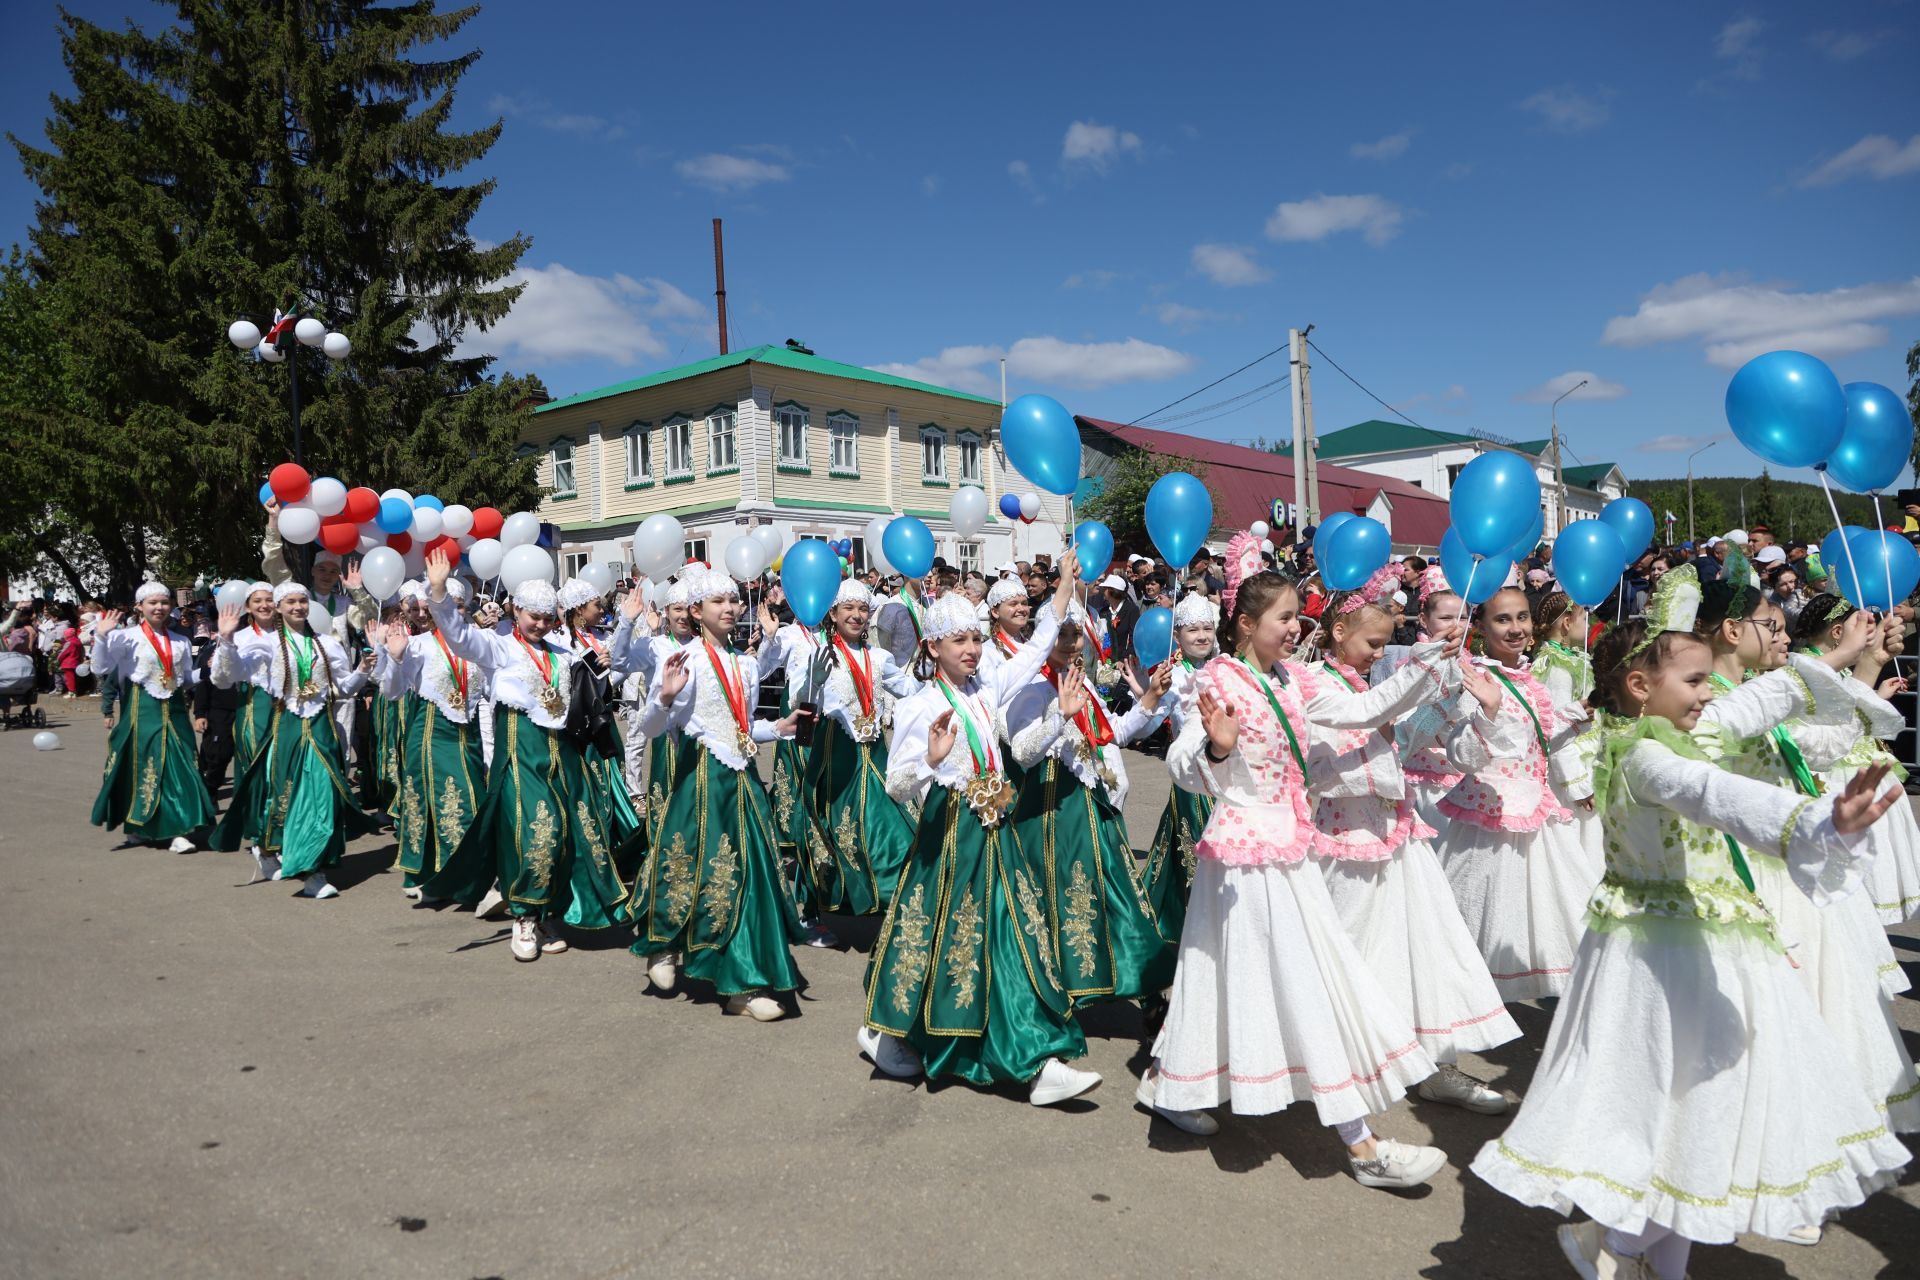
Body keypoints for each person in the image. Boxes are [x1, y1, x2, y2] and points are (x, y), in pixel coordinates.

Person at [1470, 594, 1909, 1280]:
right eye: (1696, 681)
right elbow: (1711, 793)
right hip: (1659, 962)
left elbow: (1753, 702)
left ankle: (1644, 1258)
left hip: (1709, 945)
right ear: (1641, 688)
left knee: (1702, 1118)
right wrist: (1811, 822)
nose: (1710, 694)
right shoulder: (1646, 757)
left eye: (1709, 679)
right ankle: (1625, 1247)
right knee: (1658, 1109)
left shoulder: (1688, 730)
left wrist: (1841, 656)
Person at [1146, 535, 1455, 1189]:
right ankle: (1363, 1146)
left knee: (1228, 978)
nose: (1297, 627)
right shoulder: (1217, 681)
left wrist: (1428, 661)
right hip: (1243, 859)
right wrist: (1219, 752)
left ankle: (1175, 1086)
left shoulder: (1298, 680)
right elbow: (1182, 765)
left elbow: (1366, 708)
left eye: (1297, 616)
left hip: (1291, 851)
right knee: (1306, 982)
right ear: (1246, 623)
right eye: (1284, 618)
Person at [859, 551, 1104, 1106]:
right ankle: (899, 1034)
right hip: (951, 837)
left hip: (998, 833)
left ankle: (1034, 1055)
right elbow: (896, 783)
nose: (972, 651)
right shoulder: (921, 705)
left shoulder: (986, 690)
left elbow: (1039, 653)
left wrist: (1063, 589)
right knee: (944, 940)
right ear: (932, 649)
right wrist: (931, 758)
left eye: (975, 640)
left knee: (1010, 937)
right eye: (959, 643)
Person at [1306, 565, 1519, 1115]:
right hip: (1345, 835)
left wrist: (1484, 714)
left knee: (1426, 944)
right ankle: (1335, 1059)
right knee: (1348, 944)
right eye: (1374, 643)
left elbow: (1459, 755)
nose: (1380, 653)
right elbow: (1336, 754)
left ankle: (1434, 1060)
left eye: (1385, 644)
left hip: (1397, 830)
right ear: (1337, 632)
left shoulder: (1382, 679)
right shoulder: (1316, 685)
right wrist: (1425, 673)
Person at [415, 552, 633, 960]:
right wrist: (440, 592)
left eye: (548, 618)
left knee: (572, 834)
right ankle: (524, 917)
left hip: (563, 756)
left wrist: (609, 659)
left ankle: (548, 910)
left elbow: (595, 692)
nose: (541, 624)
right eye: (533, 616)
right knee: (535, 832)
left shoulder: (562, 654)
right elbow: (459, 636)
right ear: (515, 610)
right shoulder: (498, 648)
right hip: (520, 754)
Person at [627, 568, 805, 1019]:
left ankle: (743, 984)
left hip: (742, 780)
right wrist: (664, 697)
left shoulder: (744, 665)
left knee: (749, 875)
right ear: (696, 612)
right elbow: (650, 728)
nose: (729, 609)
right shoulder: (682, 660)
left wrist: (776, 728)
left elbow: (741, 726)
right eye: (717, 603)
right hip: (701, 779)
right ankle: (664, 944)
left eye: (733, 601)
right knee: (687, 865)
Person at [1003, 598, 1177, 1008]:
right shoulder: (1029, 691)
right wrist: (1059, 716)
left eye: (1075, 634)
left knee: (1117, 890)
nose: (1069, 643)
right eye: (1060, 634)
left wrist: (1150, 696)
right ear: (1042, 637)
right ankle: (1058, 987)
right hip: (1048, 811)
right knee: (1057, 895)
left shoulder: (1080, 684)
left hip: (1089, 804)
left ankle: (1146, 983)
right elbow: (1023, 753)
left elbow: (1112, 732)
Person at [1435, 587, 1600, 1001]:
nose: (1515, 628)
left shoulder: (1530, 680)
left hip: (1536, 809)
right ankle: (1472, 997)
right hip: (1491, 815)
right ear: (1482, 628)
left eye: (1522, 618)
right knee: (1489, 911)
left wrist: (1578, 713)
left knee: (1555, 907)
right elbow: (1463, 756)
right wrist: (1487, 713)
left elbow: (1536, 738)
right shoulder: (1472, 677)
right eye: (1503, 620)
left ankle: (1552, 988)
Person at [208, 585, 376, 897]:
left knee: (324, 797)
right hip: (286, 728)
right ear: (280, 608)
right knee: (288, 796)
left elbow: (344, 689)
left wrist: (363, 671)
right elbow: (226, 677)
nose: (298, 607)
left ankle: (315, 871)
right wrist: (227, 639)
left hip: (322, 730)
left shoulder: (327, 644)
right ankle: (289, 859)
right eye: (290, 602)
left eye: (302, 601)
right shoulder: (267, 644)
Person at [789, 578, 923, 917]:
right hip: (836, 754)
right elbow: (797, 700)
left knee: (890, 821)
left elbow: (904, 686)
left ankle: (893, 893)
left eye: (863, 609)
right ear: (832, 613)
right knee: (832, 825)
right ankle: (816, 906)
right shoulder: (817, 653)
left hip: (874, 751)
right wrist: (812, 684)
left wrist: (933, 674)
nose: (857, 615)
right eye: (849, 608)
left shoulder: (878, 657)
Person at [1794, 594, 1920, 924]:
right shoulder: (1810, 668)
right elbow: (1830, 728)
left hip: (1856, 762)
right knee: (1852, 856)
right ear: (1838, 632)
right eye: (1860, 625)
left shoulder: (1833, 668)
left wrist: (1876, 693)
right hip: (1837, 776)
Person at [373, 579, 487, 904]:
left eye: (457, 605)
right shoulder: (419, 644)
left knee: (465, 799)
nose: (450, 612)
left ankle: (452, 876)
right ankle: (455, 878)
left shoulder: (480, 642)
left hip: (471, 736)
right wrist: (394, 658)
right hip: (432, 733)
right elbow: (391, 691)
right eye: (441, 606)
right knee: (453, 801)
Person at [89, 584, 218, 854]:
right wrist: (101, 638)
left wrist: (209, 672)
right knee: (143, 768)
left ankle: (177, 828)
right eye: (152, 603)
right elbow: (100, 668)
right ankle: (141, 825)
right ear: (139, 607)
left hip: (175, 712)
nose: (159, 607)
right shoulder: (126, 637)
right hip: (141, 712)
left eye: (164, 602)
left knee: (178, 768)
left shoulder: (181, 639)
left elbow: (183, 680)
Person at [1141, 592, 1220, 944]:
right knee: (1194, 858)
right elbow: (1147, 724)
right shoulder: (1171, 675)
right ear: (1177, 637)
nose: (1202, 636)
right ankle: (1193, 928)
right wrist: (1150, 697)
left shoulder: (1226, 666)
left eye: (1207, 628)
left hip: (1225, 776)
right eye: (1192, 630)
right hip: (1192, 780)